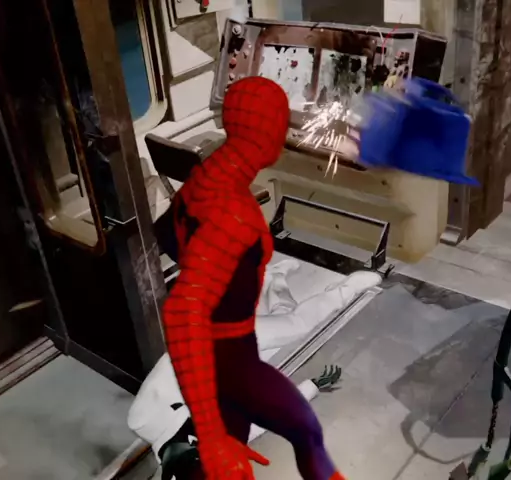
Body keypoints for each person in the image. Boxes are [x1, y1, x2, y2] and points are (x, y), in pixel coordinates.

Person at [156, 76, 350, 480]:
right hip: (230, 354)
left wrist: (221, 276)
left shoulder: (203, 177)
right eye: (281, 121)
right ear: (270, 130)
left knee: (231, 458)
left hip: (222, 351)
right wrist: (211, 436)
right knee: (305, 431)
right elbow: (182, 313)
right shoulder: (235, 216)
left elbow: (166, 236)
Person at [127, 260, 381, 479]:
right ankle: (275, 278)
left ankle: (348, 287)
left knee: (297, 326)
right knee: (284, 323)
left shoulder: (143, 418)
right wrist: (311, 387)